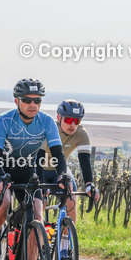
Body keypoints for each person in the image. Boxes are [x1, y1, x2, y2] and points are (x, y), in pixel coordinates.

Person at [0, 79, 69, 260]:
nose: (33, 104)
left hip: (27, 170)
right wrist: (0, 177)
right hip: (0, 166)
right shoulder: (3, 121)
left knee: (37, 216)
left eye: (37, 100)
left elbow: (57, 153)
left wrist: (62, 175)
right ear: (17, 101)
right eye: (27, 100)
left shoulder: (47, 122)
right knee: (2, 204)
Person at [36, 99, 100, 242]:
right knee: (41, 202)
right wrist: (40, 184)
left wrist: (89, 183)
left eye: (76, 121)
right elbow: (37, 159)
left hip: (60, 170)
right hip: (39, 168)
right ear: (59, 118)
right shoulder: (49, 130)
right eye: (69, 119)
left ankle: (65, 241)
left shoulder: (81, 134)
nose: (72, 125)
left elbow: (85, 161)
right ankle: (38, 241)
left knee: (71, 199)